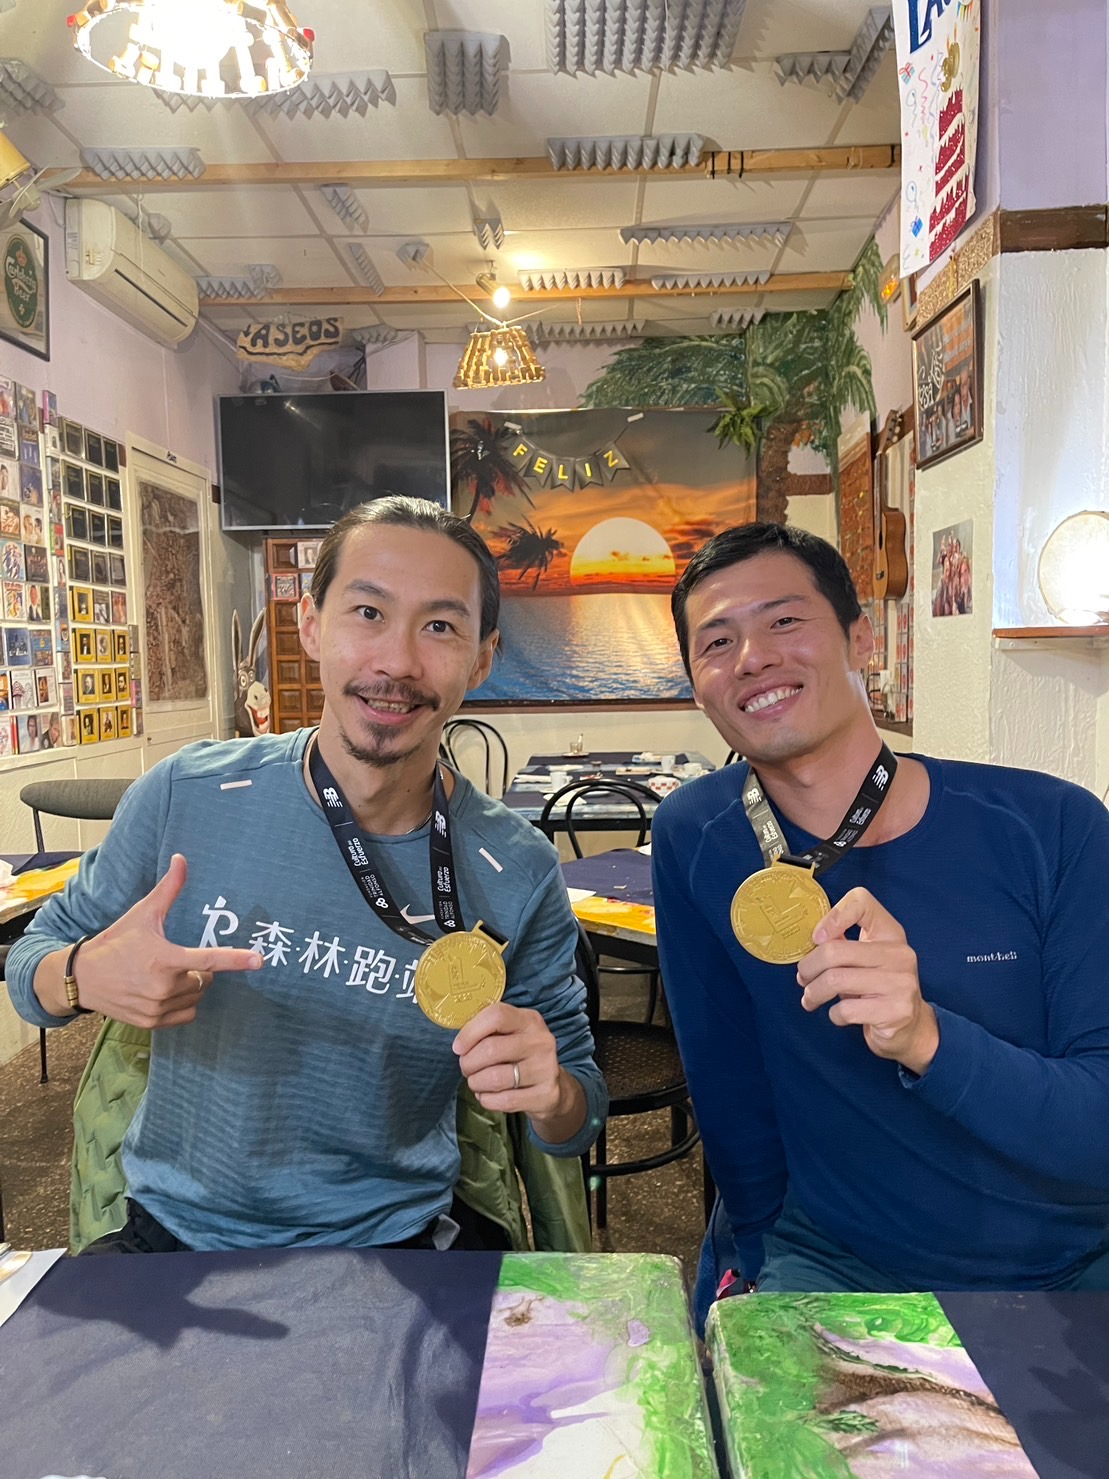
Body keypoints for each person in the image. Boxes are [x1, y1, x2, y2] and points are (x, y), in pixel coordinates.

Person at [9, 496, 605, 1254]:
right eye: (368, 612)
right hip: (181, 1235)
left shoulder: (516, 864)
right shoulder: (187, 794)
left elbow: (578, 1112)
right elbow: (30, 962)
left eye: (440, 626)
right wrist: (80, 976)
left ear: (482, 658)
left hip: (398, 1239)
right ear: (312, 625)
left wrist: (550, 1092)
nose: (397, 662)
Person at [653, 521, 1109, 1324]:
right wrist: (759, 1257)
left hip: (1060, 1268)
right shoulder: (698, 834)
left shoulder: (1052, 827)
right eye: (716, 641)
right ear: (697, 685)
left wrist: (926, 1037)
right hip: (832, 1260)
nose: (752, 656)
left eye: (783, 620)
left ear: (861, 638)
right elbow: (727, 1082)